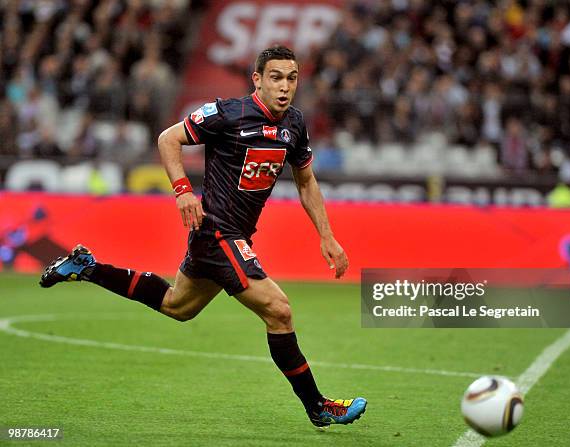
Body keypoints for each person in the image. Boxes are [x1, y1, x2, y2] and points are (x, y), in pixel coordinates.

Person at [39, 45, 367, 427]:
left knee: (179, 306)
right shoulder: (228, 113)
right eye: (275, 77)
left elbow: (306, 181)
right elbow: (168, 139)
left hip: (234, 235)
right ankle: (318, 406)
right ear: (257, 79)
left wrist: (327, 237)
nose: (285, 87)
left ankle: (87, 267)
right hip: (217, 232)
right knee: (279, 311)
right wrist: (182, 191)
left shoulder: (294, 124)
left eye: (291, 78)